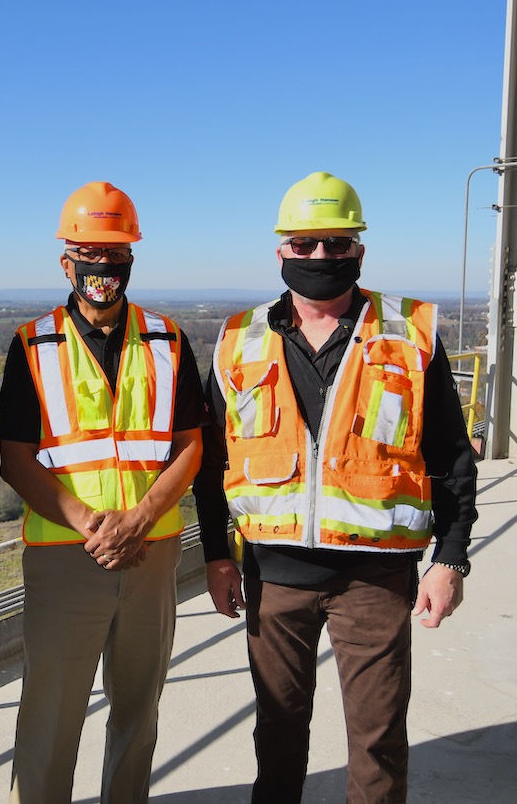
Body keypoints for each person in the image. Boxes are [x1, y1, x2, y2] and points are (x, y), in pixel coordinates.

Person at [193, 172, 478, 803]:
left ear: (359, 251)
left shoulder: (407, 334)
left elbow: (451, 456)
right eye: (305, 244)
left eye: (336, 243)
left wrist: (450, 558)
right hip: (274, 578)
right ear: (282, 253)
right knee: (278, 739)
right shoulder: (240, 339)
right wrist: (217, 556)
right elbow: (213, 466)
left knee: (376, 744)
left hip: (375, 580)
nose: (320, 256)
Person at [0, 182, 205, 804]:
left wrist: (138, 518)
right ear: (67, 262)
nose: (102, 270)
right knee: (50, 718)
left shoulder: (168, 340)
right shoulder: (33, 343)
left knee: (139, 712)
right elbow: (14, 458)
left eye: (115, 256)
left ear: (131, 261)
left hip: (153, 549)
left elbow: (190, 446)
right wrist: (93, 522)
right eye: (90, 255)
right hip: (67, 555)